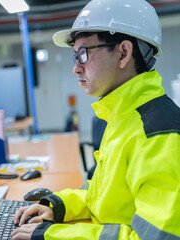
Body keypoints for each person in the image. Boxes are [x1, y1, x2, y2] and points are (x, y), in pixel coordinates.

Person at [11, 0, 180, 239]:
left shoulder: (157, 133)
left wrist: (53, 235)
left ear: (123, 53)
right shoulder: (122, 118)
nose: (76, 69)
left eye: (83, 53)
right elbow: (101, 195)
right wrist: (58, 206)